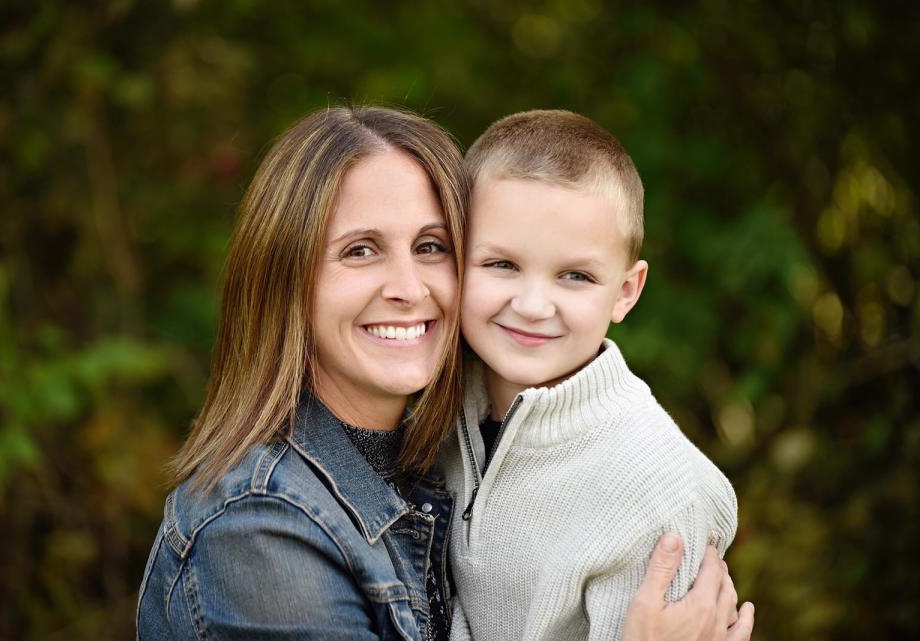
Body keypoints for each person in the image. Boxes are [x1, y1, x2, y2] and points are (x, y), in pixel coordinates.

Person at [136, 105, 754, 641]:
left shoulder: (443, 457)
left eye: (431, 246)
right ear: (287, 277)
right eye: (360, 250)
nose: (408, 288)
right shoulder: (260, 532)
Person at [441, 110, 742, 641]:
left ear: (626, 291)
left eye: (574, 276)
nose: (533, 305)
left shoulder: (658, 495)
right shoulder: (432, 408)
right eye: (502, 265)